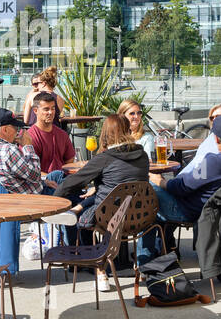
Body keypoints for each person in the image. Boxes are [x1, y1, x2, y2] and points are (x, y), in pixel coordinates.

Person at [54, 113, 150, 291]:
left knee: (84, 217)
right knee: (102, 195)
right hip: (139, 215)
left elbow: (71, 183)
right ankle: (139, 268)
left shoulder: (105, 158)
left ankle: (98, 269)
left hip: (109, 218)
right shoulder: (142, 155)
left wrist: (52, 201)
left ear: (105, 134)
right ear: (128, 130)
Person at [152, 114, 221, 226]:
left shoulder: (212, 162)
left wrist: (159, 181)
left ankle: (156, 243)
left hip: (195, 213)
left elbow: (182, 187)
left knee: (149, 191)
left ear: (216, 139)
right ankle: (166, 242)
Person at [0, 108, 43, 195]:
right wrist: (28, 146)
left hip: (2, 201)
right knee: (58, 177)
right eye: (15, 127)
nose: (17, 131)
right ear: (5, 129)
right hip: (29, 200)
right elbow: (36, 176)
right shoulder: (8, 150)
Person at [27, 92, 76, 174]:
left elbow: (70, 162)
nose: (50, 112)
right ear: (35, 110)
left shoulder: (62, 134)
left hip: (63, 180)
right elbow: (30, 170)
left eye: (53, 108)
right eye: (46, 109)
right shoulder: (30, 137)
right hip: (42, 183)